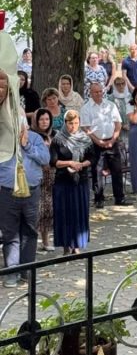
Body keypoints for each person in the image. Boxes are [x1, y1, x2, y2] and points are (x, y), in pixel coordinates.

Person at [0, 33, 49, 288]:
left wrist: (27, 144)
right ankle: (11, 273)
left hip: (31, 190)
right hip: (8, 191)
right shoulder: (3, 140)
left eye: (21, 120)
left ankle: (27, 271)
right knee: (10, 233)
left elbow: (45, 159)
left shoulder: (36, 139)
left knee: (29, 231)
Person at [79, 82, 133, 208]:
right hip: (95, 143)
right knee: (97, 171)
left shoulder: (110, 105)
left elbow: (118, 124)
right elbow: (85, 128)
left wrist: (113, 140)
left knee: (117, 170)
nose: (98, 94)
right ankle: (99, 199)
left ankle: (119, 198)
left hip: (112, 141)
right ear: (90, 93)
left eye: (100, 91)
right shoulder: (86, 108)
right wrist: (99, 141)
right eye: (95, 92)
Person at [50, 109, 93, 255]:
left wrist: (82, 164)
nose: (73, 126)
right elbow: (53, 161)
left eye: (75, 123)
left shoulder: (85, 139)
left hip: (80, 181)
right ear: (65, 123)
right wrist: (70, 163)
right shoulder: (57, 140)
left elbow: (92, 158)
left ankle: (77, 245)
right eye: (70, 123)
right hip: (63, 182)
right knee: (64, 213)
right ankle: (65, 245)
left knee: (78, 212)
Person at [32, 108, 57, 253]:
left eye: (47, 119)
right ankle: (32, 242)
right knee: (36, 209)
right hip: (37, 175)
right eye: (41, 119)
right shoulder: (32, 135)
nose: (44, 122)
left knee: (48, 209)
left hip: (52, 175)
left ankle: (46, 241)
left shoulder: (55, 134)